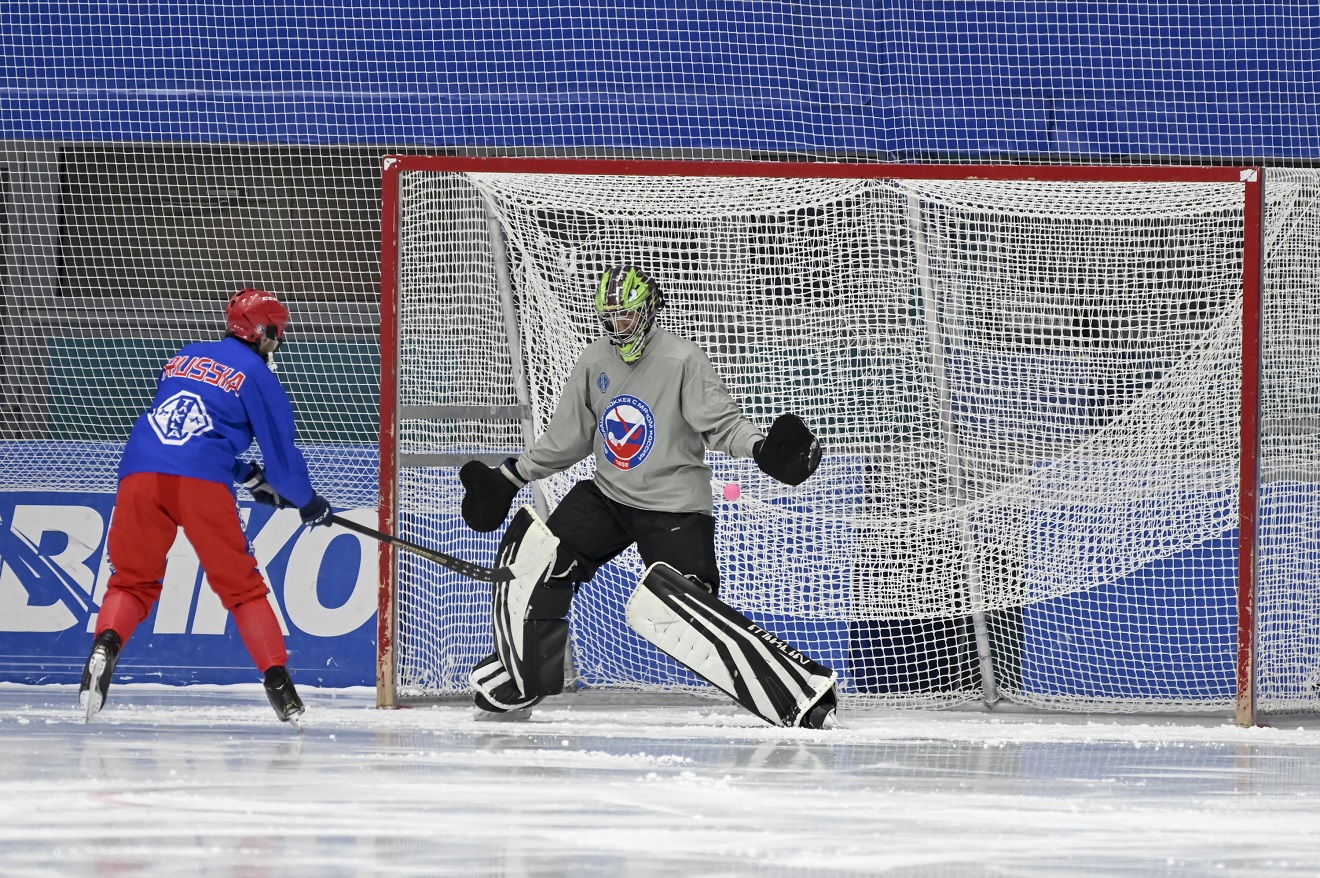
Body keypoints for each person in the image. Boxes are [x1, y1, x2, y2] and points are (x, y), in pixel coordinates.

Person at [459, 265, 836, 729]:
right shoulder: (594, 362)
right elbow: (567, 440)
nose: (619, 328)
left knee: (683, 610)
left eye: (626, 316)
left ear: (649, 309)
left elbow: (722, 425)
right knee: (537, 560)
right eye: (610, 319)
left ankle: (798, 691)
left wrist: (760, 447)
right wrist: (510, 476)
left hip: (673, 504)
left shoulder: (682, 360)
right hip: (608, 495)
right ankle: (522, 677)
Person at [78, 288, 332, 725]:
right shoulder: (257, 375)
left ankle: (106, 643)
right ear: (264, 332)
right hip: (200, 487)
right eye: (278, 335)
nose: (279, 343)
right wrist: (309, 503)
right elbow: (285, 467)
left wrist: (247, 475)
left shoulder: (184, 357)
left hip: (139, 472)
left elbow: (186, 428)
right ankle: (280, 687)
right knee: (242, 588)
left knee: (131, 583)